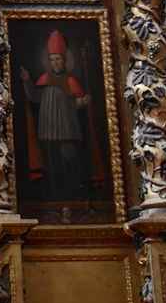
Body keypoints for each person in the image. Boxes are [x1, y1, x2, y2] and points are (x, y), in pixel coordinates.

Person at [20, 29, 105, 203]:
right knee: (52, 166)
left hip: (68, 130)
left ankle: (74, 194)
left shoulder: (71, 81)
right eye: (52, 59)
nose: (55, 63)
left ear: (64, 60)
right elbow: (34, 97)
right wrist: (27, 81)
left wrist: (83, 101)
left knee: (70, 162)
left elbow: (76, 103)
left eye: (58, 59)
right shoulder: (44, 79)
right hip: (48, 131)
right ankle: (55, 196)